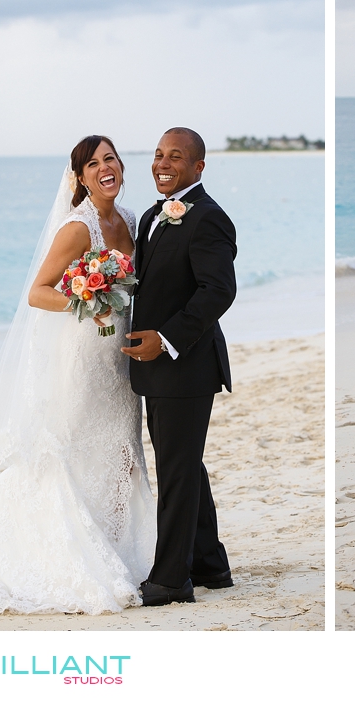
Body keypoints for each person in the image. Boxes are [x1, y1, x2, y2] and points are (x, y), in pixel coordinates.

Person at [0, 135, 156, 614]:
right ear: (81, 177)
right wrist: (86, 298)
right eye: (93, 164)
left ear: (120, 165)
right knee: (71, 452)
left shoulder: (131, 220)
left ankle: (116, 548)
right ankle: (48, 550)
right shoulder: (78, 228)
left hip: (117, 355)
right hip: (81, 357)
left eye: (110, 159)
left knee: (121, 453)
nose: (104, 168)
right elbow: (37, 292)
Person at [121, 127, 237, 606]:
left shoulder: (208, 218)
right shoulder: (152, 215)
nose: (162, 163)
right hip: (158, 368)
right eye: (157, 155)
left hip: (185, 365)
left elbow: (218, 291)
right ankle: (210, 565)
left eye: (176, 156)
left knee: (177, 472)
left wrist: (167, 339)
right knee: (185, 466)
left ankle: (170, 580)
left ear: (198, 167)